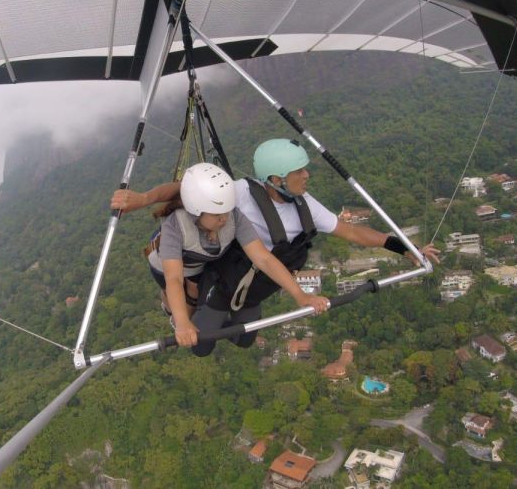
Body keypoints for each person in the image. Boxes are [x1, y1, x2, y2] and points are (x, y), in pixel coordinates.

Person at [112, 139, 441, 355]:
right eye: (298, 171)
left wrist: (404, 247)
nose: (307, 176)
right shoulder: (237, 194)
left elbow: (353, 234)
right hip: (216, 270)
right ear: (276, 178)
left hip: (256, 280)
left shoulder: (302, 206)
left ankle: (202, 308)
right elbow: (185, 190)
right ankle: (183, 307)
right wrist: (143, 200)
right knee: (201, 343)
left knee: (244, 339)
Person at [123, 162, 330, 355]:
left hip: (206, 262)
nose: (224, 219)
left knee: (241, 338)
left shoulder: (233, 216)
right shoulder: (175, 227)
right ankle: (169, 304)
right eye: (216, 215)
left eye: (226, 212)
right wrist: (183, 322)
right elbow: (174, 279)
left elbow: (263, 258)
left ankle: (203, 309)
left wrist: (301, 295)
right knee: (194, 328)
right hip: (171, 267)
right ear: (196, 211)